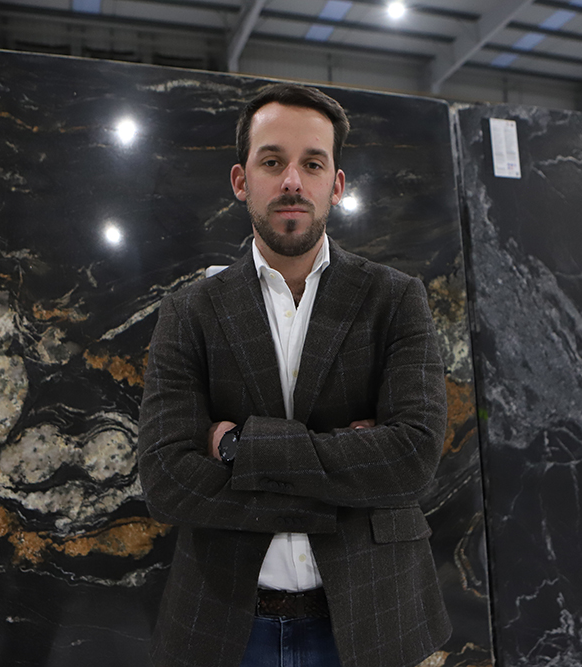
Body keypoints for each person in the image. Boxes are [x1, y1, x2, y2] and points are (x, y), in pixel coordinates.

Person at [137, 83, 450, 667]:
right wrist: (346, 487)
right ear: (241, 180)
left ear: (336, 184)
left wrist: (238, 446)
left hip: (374, 618)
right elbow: (166, 479)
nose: (291, 182)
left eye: (312, 164)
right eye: (272, 162)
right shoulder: (189, 311)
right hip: (225, 625)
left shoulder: (395, 300)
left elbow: (413, 455)